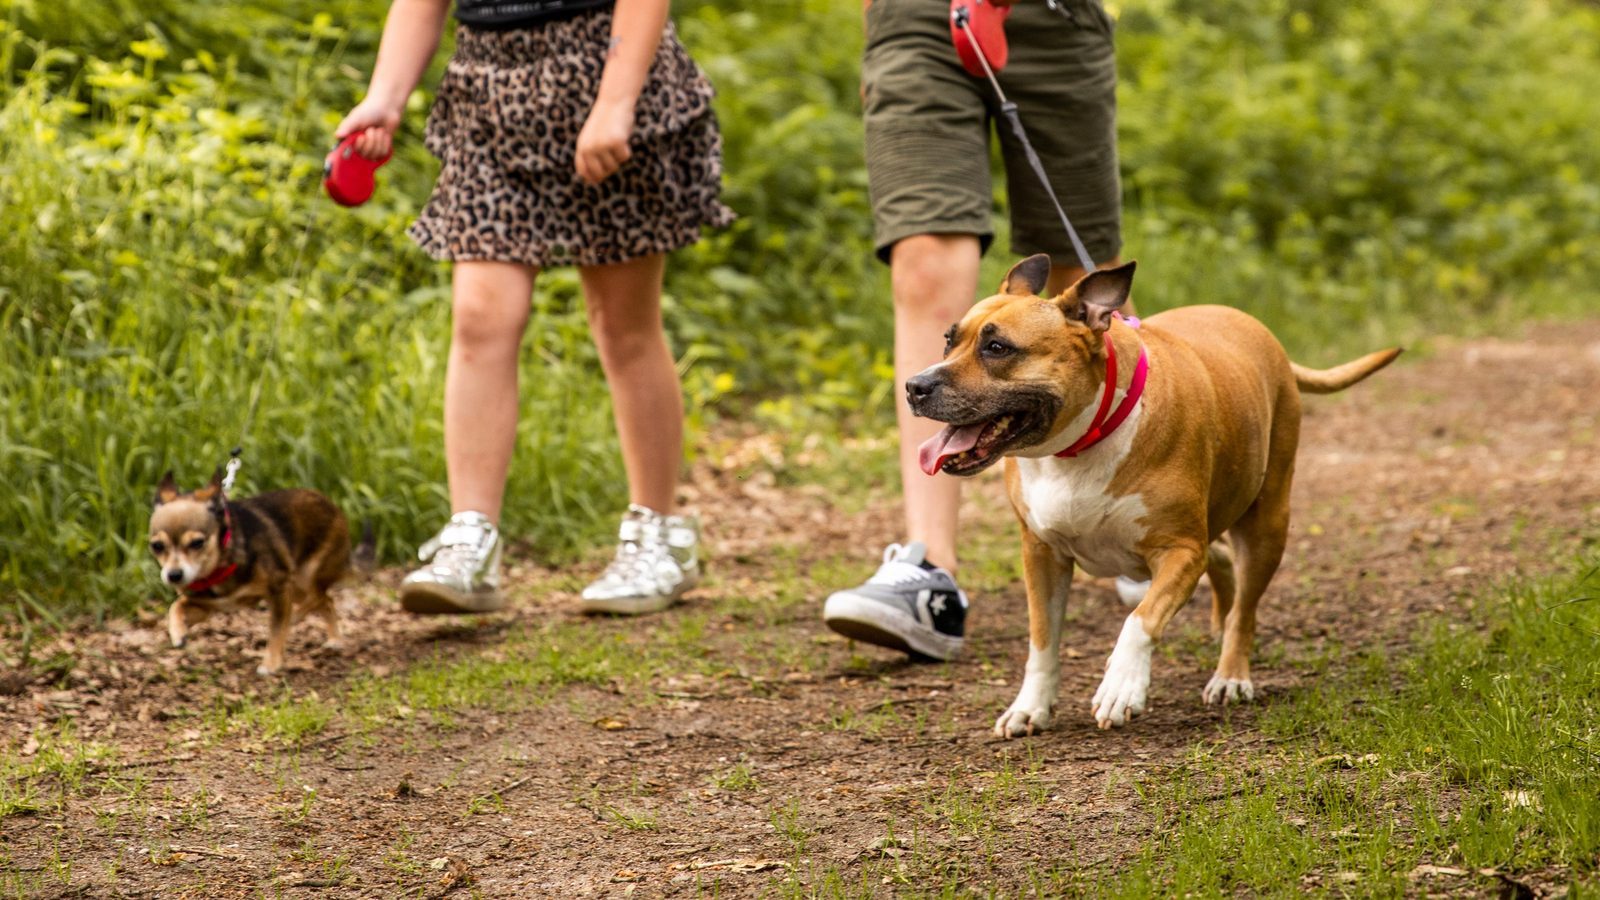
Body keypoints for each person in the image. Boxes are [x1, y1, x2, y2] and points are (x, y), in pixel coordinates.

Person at [336, 0, 734, 616]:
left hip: (609, 70)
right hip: (489, 93)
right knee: (479, 316)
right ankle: (471, 539)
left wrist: (615, 103)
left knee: (623, 326)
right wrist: (385, 96)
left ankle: (658, 536)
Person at [823, 0, 1123, 659]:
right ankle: (929, 574)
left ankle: (1130, 521)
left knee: (1082, 280)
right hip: (919, 16)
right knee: (926, 263)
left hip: (1056, 16)